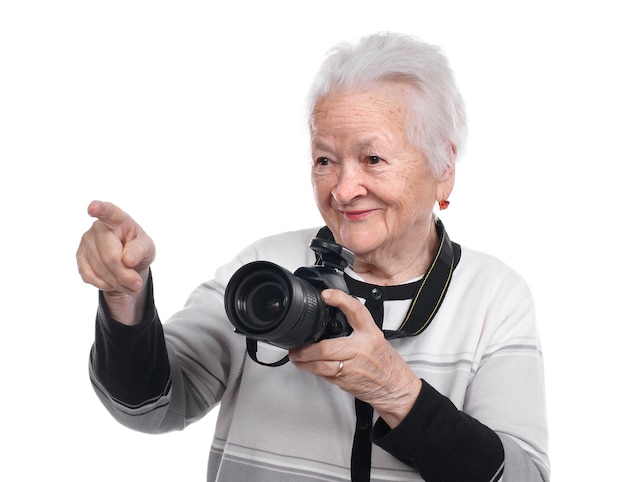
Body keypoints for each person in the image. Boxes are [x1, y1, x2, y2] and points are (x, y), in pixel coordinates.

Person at [77, 32, 550, 481]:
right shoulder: (266, 270)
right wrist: (124, 299)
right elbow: (151, 407)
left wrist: (396, 392)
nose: (343, 190)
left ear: (443, 167)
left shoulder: (493, 296)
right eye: (325, 160)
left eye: (373, 159)